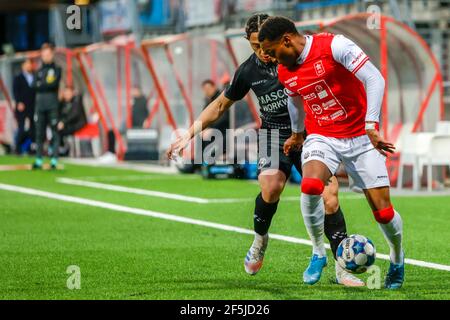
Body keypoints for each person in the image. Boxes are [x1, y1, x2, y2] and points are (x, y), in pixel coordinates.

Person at [167, 14, 363, 287]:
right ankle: (260, 240)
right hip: (272, 134)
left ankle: (342, 268)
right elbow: (221, 105)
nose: (263, 52)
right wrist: (188, 134)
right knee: (270, 189)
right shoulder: (248, 70)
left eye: (265, 44)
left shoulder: (296, 56)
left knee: (329, 197)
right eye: (255, 46)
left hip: (311, 134)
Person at [258, 16, 404, 289]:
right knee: (311, 185)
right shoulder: (284, 71)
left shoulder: (334, 46)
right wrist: (298, 133)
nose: (272, 58)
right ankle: (317, 252)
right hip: (322, 136)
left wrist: (371, 124)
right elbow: (295, 100)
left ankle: (397, 258)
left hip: (361, 136)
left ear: (287, 40)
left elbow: (374, 78)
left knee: (383, 213)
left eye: (272, 51)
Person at [33, 43, 62, 169]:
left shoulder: (56, 69)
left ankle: (54, 159)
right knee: (39, 133)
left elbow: (52, 84)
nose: (45, 57)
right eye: (43, 55)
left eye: (48, 54)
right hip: (40, 105)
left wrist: (41, 84)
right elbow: (34, 85)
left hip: (52, 105)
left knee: (55, 132)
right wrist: (43, 84)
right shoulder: (39, 70)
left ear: (52, 54)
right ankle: (39, 159)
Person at [13, 58, 36, 154]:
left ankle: (30, 148)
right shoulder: (18, 77)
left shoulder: (34, 77)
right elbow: (15, 91)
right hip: (22, 106)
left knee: (32, 129)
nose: (29, 66)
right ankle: (17, 148)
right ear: (23, 66)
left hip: (32, 106)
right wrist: (19, 102)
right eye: (27, 64)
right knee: (21, 128)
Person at [57, 85, 87, 155]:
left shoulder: (76, 101)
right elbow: (59, 113)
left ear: (72, 93)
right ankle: (61, 148)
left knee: (61, 131)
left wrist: (63, 122)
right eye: (65, 93)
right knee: (57, 128)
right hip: (68, 124)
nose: (66, 95)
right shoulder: (63, 103)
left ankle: (63, 149)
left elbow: (74, 115)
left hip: (77, 124)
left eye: (68, 93)